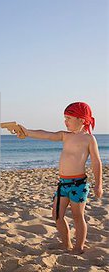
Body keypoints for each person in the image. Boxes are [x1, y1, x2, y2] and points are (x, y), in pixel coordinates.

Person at [10, 102, 103, 254]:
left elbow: (96, 162)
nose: (65, 121)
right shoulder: (65, 136)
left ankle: (79, 246)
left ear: (82, 120)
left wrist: (99, 184)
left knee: (77, 216)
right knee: (57, 215)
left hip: (78, 184)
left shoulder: (89, 139)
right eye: (64, 118)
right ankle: (66, 243)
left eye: (68, 118)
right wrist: (27, 132)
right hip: (63, 184)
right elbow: (46, 134)